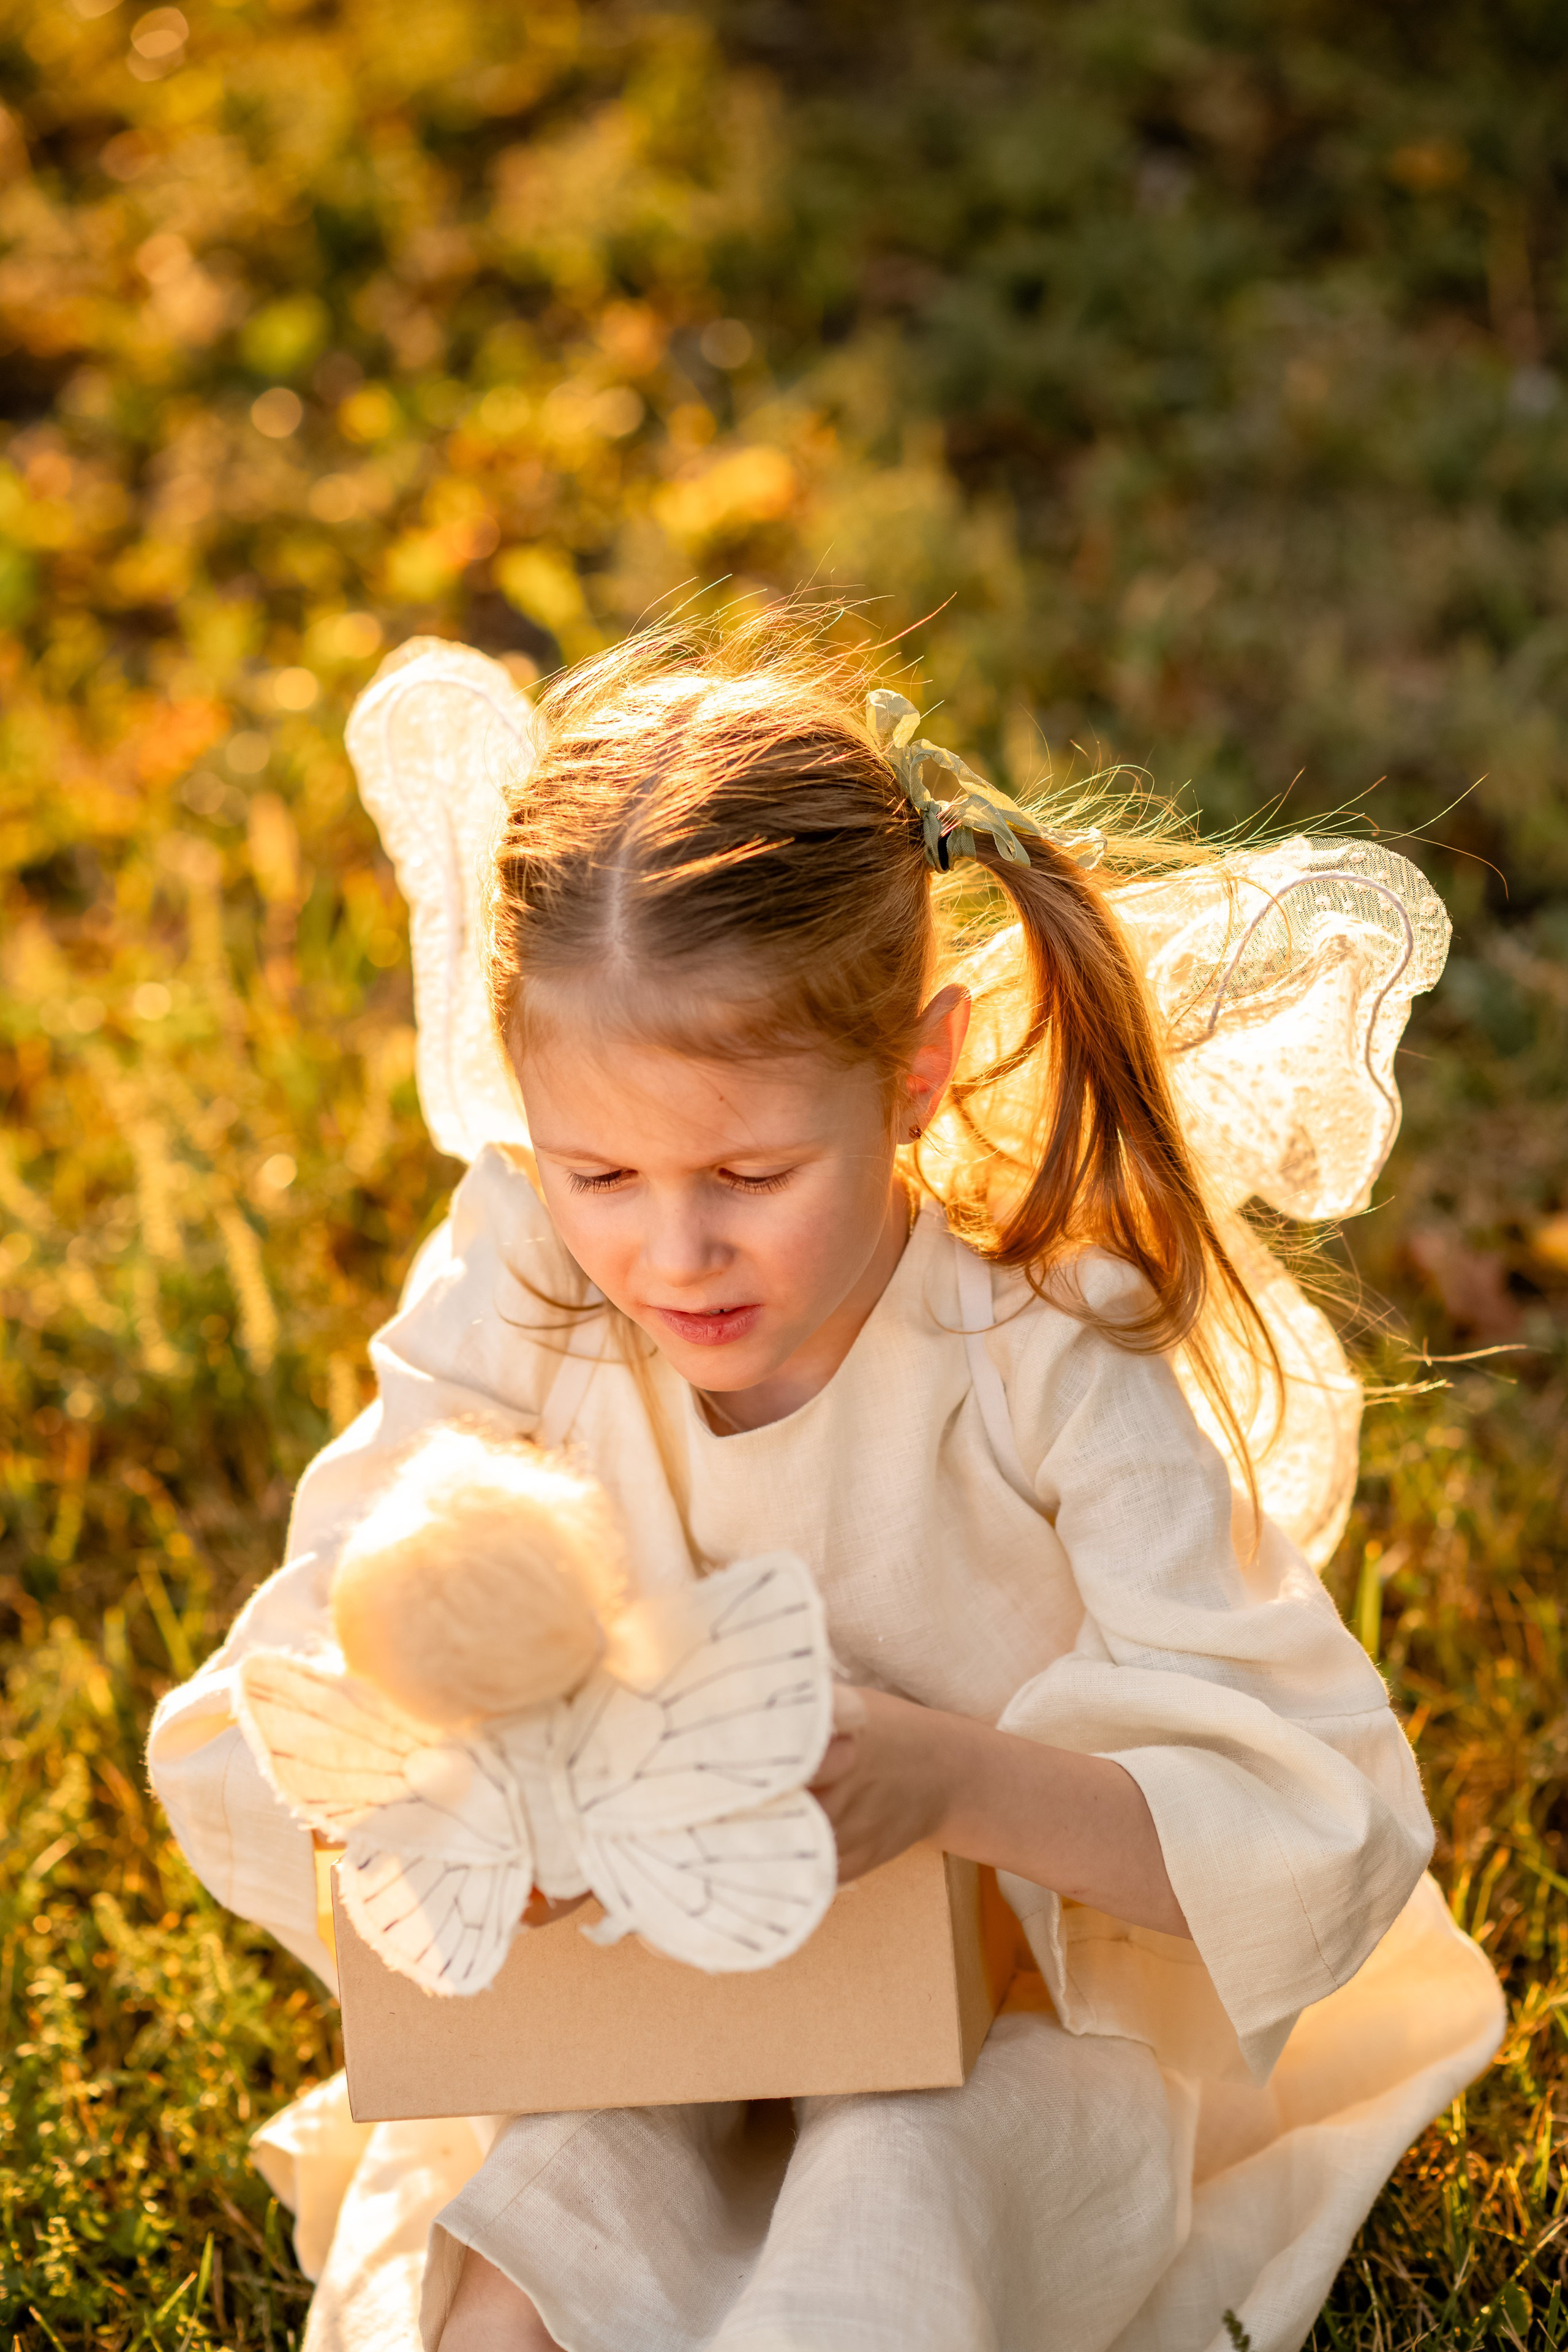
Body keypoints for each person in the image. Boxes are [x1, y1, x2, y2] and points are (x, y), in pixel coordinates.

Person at [148, 620, 1504, 2352]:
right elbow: (338, 1628)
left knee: (904, 2195)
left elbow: (1309, 1821)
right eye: (603, 1169)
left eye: (752, 1170)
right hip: (654, 1979)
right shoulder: (529, 1280)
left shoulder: (1045, 1344)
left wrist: (943, 1781)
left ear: (915, 1073)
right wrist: (483, 1776)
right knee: (562, 2193)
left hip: (1015, 2002)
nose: (674, 1245)